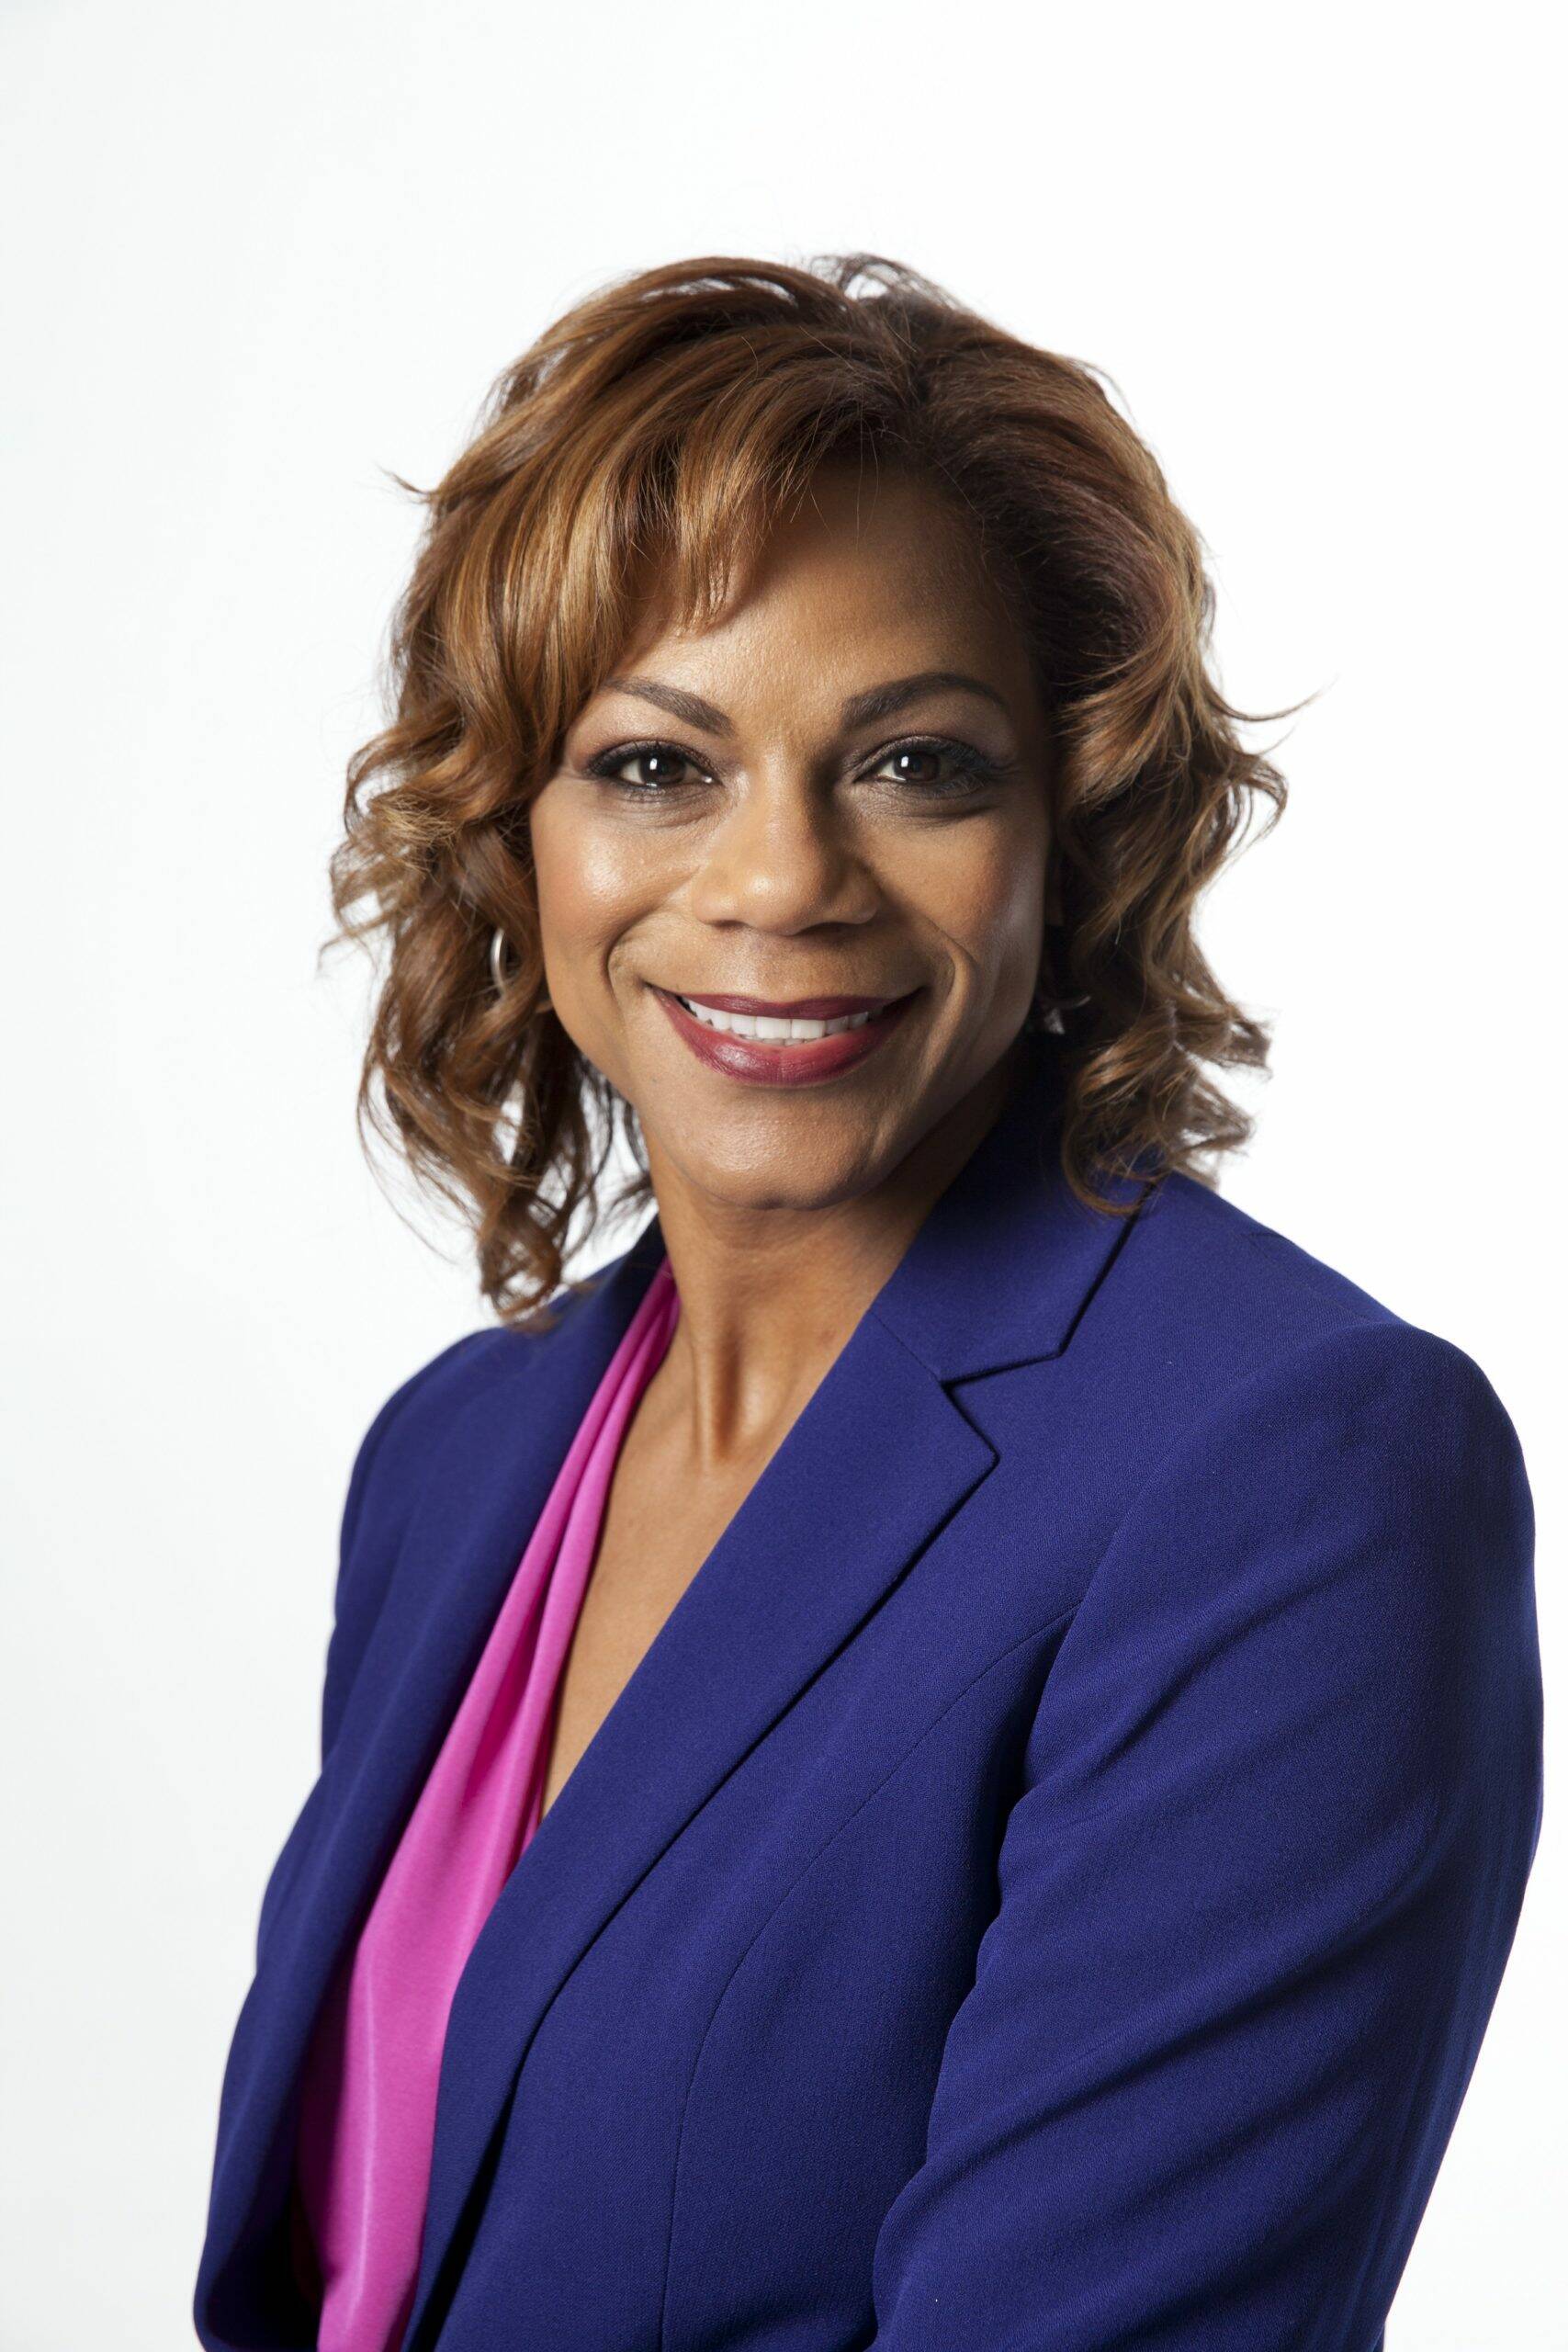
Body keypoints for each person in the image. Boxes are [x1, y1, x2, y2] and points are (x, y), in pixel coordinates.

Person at [194, 254, 1544, 2352]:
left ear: (1070, 831)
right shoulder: (457, 1457)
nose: (779, 882)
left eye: (915, 763)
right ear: (515, 832)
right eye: (657, 766)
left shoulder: (1291, 1473)